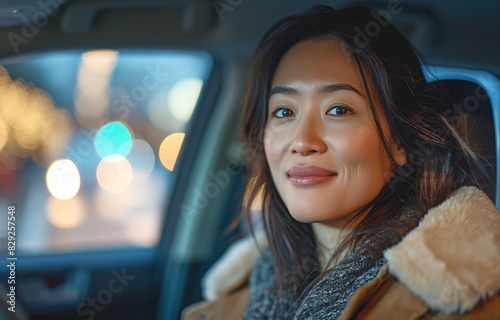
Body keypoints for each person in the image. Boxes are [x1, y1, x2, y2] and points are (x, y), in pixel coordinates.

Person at [182, 5, 500, 319]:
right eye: (284, 111)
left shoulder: (466, 303)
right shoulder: (231, 301)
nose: (303, 141)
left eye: (338, 110)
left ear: (401, 142)